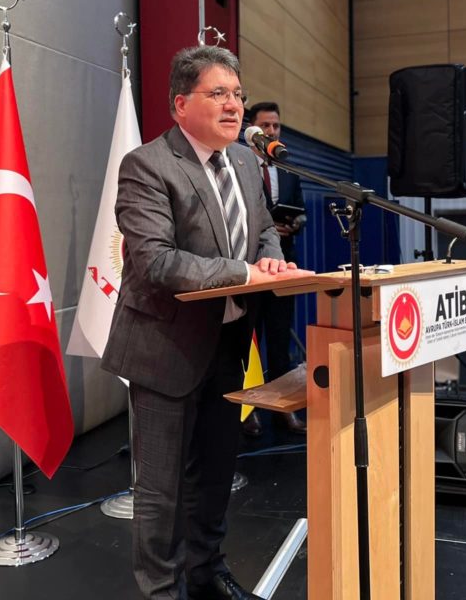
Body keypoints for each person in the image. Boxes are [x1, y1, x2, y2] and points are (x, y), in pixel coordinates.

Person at [101, 46, 312, 600]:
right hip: (164, 345)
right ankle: (162, 591)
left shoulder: (243, 162)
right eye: (218, 93)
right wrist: (245, 272)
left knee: (217, 470)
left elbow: (263, 228)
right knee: (162, 488)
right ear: (180, 104)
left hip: (228, 342)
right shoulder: (148, 165)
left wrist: (270, 260)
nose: (234, 105)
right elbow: (156, 262)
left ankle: (206, 572)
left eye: (237, 94)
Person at [242, 102, 308, 436]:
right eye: (265, 126)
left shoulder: (288, 167)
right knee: (249, 344)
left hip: (284, 265)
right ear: (251, 129)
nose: (271, 132)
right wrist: (266, 230)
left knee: (281, 341)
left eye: (276, 126)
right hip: (250, 268)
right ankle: (248, 412)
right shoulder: (239, 166)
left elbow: (302, 210)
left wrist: (295, 224)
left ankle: (284, 410)